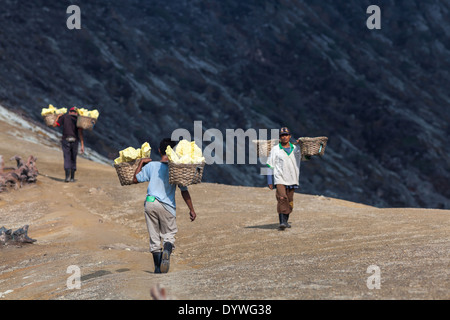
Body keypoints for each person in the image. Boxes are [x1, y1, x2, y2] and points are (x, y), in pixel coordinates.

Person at [133, 138, 197, 273]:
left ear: (159, 150)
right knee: (169, 234)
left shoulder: (152, 166)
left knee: (154, 236)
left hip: (150, 202)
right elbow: (184, 191)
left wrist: (140, 163)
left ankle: (157, 268)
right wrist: (191, 209)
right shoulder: (177, 170)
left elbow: (135, 179)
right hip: (167, 206)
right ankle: (167, 248)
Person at [266, 127, 301, 230]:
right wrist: (269, 180)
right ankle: (282, 222)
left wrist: (302, 145)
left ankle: (285, 221)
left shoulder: (296, 149)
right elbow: (269, 165)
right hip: (280, 178)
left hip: (292, 178)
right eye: (282, 135)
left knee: (289, 200)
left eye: (286, 135)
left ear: (289, 136)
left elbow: (306, 157)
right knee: (282, 198)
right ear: (280, 138)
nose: (284, 137)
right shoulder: (275, 149)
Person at [53, 107, 84, 182]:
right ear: (76, 113)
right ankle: (72, 178)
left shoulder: (64, 117)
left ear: (69, 112)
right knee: (73, 158)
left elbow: (54, 125)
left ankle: (67, 177)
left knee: (67, 157)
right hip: (75, 140)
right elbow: (80, 133)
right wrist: (82, 145)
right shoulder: (78, 119)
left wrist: (57, 117)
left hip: (66, 139)